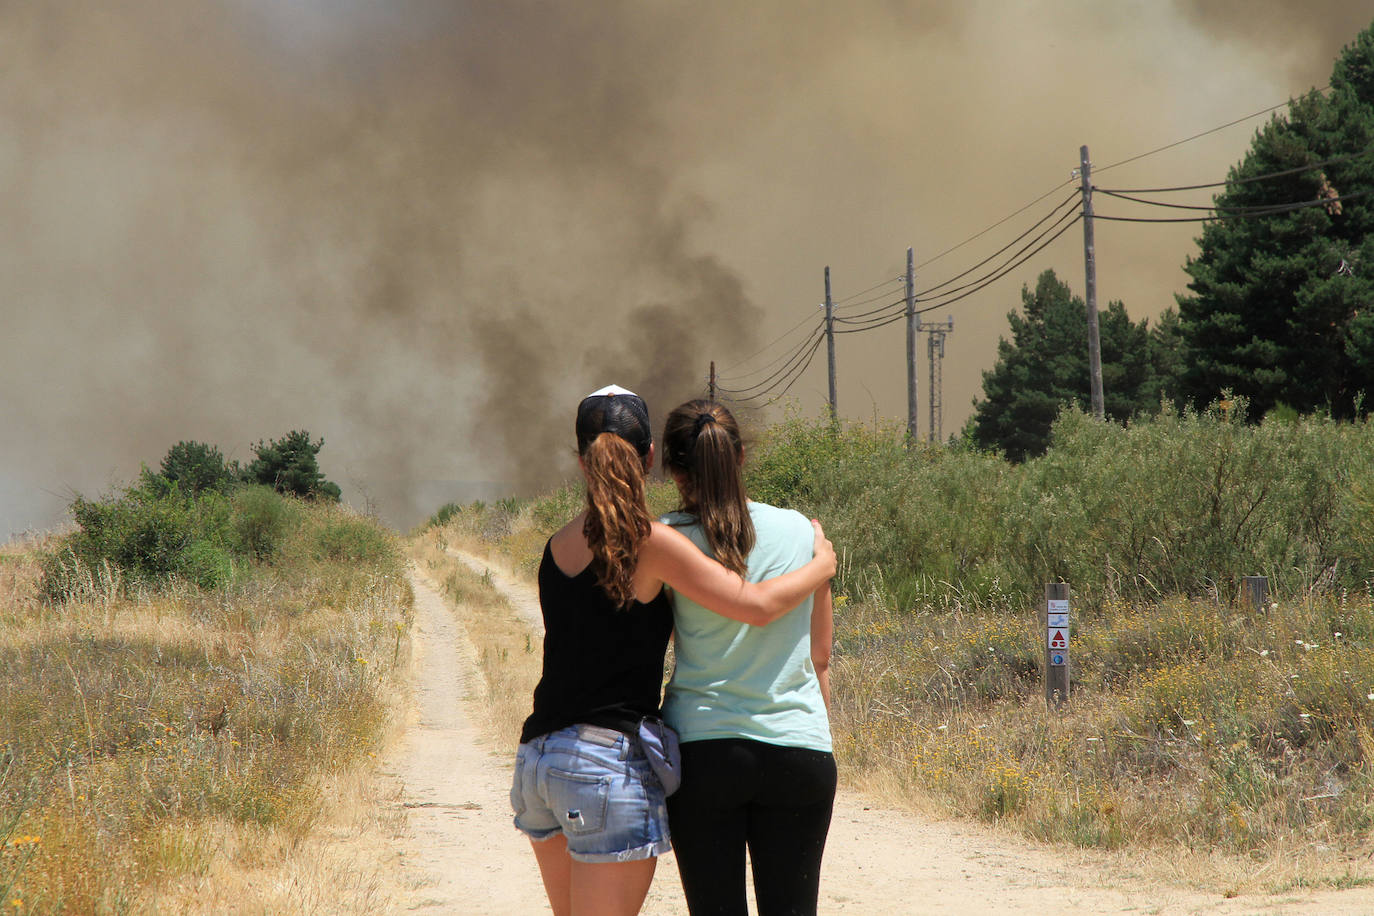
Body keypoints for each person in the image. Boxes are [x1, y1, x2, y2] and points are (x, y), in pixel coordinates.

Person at [510, 385, 836, 916]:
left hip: (542, 760)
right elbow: (756, 608)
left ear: (580, 457)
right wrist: (822, 565)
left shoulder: (558, 546)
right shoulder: (654, 542)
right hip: (609, 763)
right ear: (650, 458)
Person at [660, 398, 837, 916]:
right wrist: (811, 734)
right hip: (798, 749)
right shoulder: (804, 534)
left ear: (672, 468)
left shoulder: (665, 541)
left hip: (703, 752)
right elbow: (820, 657)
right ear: (740, 457)